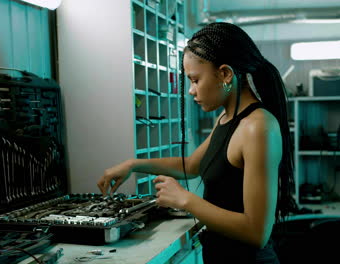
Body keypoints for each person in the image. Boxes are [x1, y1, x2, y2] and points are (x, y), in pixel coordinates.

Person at [97, 22, 294, 264]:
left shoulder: (257, 127)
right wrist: (133, 164)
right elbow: (191, 165)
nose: (191, 91)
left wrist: (185, 200)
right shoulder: (226, 118)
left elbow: (257, 232)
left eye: (195, 80)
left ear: (225, 74)